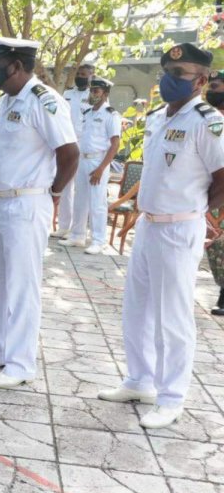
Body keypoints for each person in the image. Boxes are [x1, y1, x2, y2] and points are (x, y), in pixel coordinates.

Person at [99, 44, 224, 429]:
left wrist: (200, 212)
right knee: (137, 309)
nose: (169, 78)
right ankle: (140, 380)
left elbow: (222, 177)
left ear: (201, 80)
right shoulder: (157, 117)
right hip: (149, 224)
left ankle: (171, 398)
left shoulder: (208, 121)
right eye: (167, 70)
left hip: (179, 227)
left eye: (180, 73)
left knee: (172, 317)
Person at [0, 37, 79, 389]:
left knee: (22, 285)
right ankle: (0, 349)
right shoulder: (6, 101)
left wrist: (56, 192)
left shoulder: (44, 101)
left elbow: (70, 153)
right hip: (0, 201)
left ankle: (21, 363)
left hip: (28, 202)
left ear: (15, 66)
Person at [60, 76, 122, 255]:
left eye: (96, 91)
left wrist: (101, 168)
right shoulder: (88, 113)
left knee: (97, 203)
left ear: (105, 94)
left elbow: (115, 144)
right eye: (91, 90)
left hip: (98, 161)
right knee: (80, 199)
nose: (92, 94)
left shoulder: (111, 115)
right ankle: (77, 235)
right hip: (83, 159)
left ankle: (98, 240)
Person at [52, 63, 95, 239]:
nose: (80, 76)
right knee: (65, 187)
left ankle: (79, 230)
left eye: (84, 74)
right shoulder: (68, 94)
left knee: (82, 192)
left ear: (92, 76)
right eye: (79, 73)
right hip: (67, 145)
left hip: (85, 147)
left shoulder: (94, 96)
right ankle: (64, 227)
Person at [204, 70, 224, 315]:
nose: (212, 91)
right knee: (216, 245)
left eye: (217, 86)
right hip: (214, 191)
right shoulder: (208, 119)